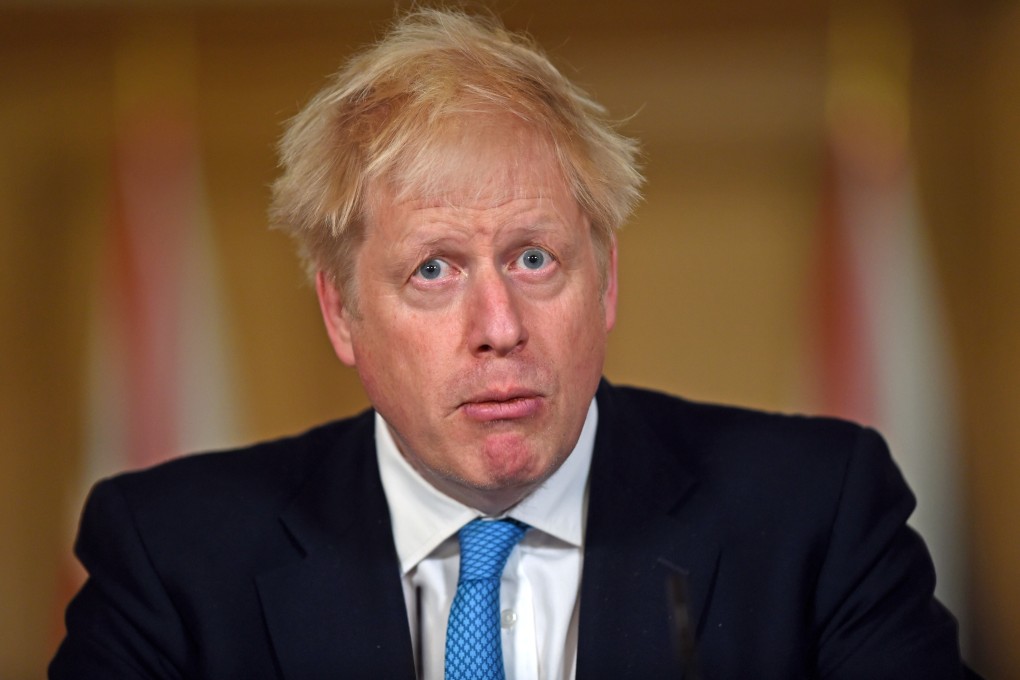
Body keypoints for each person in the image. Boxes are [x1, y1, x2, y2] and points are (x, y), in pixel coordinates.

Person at [51, 8, 977, 679]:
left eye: (534, 259)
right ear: (340, 312)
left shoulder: (816, 516)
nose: (499, 329)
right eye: (434, 271)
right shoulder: (174, 556)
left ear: (605, 281)